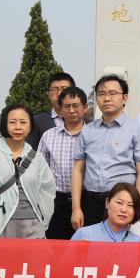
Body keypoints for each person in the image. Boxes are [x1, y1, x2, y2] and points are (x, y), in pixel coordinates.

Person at [71, 74, 140, 230]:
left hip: (122, 201)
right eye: (101, 94)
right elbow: (78, 170)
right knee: (92, 243)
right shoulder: (87, 130)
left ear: (125, 98)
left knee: (121, 243)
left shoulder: (137, 130)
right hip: (91, 201)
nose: (107, 98)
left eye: (112, 93)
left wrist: (137, 207)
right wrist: (76, 208)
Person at [0, 103, 55, 238]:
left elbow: (47, 192)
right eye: (12, 122)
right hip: (0, 226)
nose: (18, 127)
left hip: (34, 227)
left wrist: (43, 222)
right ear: (4, 125)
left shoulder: (37, 159)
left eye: (23, 122)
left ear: (30, 127)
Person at [39, 86, 88, 239]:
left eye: (76, 105)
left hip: (87, 201)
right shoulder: (48, 136)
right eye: (67, 106)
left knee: (86, 246)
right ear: (60, 110)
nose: (71, 110)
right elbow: (39, 171)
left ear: (85, 107)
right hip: (56, 202)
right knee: (56, 246)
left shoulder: (94, 134)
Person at [71, 182, 140, 242]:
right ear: (107, 203)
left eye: (130, 205)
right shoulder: (84, 234)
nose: (124, 210)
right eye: (119, 203)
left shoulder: (138, 241)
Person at [28, 72, 75, 149]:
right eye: (55, 89)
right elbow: (30, 151)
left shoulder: (87, 123)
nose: (59, 93)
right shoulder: (37, 122)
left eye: (64, 89)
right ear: (49, 95)